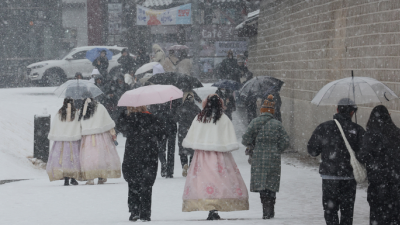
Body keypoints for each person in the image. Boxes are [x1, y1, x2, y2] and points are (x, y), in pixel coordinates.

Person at [181, 94, 249, 220]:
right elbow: (229, 136)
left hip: (202, 155)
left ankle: (208, 205)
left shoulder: (199, 118)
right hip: (219, 155)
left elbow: (192, 134)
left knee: (204, 179)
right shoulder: (223, 118)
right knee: (220, 179)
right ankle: (216, 206)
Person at [307, 98, 365, 225]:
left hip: (329, 176)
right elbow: (364, 154)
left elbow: (312, 151)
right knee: (347, 212)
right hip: (349, 177)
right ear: (352, 112)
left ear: (337, 109)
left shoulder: (324, 127)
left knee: (330, 210)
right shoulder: (358, 130)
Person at [241, 95, 290, 219]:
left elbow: (245, 139)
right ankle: (271, 208)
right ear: (272, 112)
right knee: (271, 183)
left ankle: (265, 210)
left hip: (258, 157)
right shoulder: (277, 124)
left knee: (262, 184)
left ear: (262, 110)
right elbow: (285, 141)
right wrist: (277, 149)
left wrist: (253, 144)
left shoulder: (255, 122)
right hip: (273, 158)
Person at [117, 106, 165, 222]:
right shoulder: (153, 118)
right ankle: (145, 213)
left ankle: (134, 211)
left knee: (133, 184)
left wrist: (125, 114)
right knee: (147, 185)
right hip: (149, 155)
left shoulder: (129, 119)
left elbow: (120, 127)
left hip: (132, 154)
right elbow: (162, 135)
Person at [358, 105, 400, 225]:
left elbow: (362, 156)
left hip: (377, 185)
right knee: (394, 217)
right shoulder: (398, 133)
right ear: (389, 116)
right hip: (396, 185)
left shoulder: (370, 135)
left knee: (377, 216)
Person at [78, 92, 121, 185]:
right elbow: (108, 121)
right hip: (102, 136)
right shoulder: (100, 107)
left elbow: (79, 124)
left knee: (89, 157)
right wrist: (113, 134)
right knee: (102, 156)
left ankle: (90, 178)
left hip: (87, 138)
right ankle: (101, 176)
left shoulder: (83, 109)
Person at [46, 98, 82, 186]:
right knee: (73, 159)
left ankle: (66, 178)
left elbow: (55, 124)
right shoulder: (76, 113)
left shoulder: (59, 113)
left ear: (63, 103)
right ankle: (73, 178)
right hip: (73, 140)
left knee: (63, 159)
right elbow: (79, 125)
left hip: (61, 141)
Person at [174, 93, 201, 177]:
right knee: (192, 149)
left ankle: (184, 164)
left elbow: (175, 119)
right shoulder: (196, 108)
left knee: (182, 148)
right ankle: (191, 165)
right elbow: (200, 119)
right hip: (193, 130)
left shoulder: (180, 108)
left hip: (182, 130)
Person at [149, 101, 178, 178]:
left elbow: (153, 115)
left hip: (161, 128)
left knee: (161, 149)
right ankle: (169, 171)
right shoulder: (172, 101)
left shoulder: (156, 102)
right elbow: (177, 115)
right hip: (170, 127)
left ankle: (164, 164)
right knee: (170, 151)